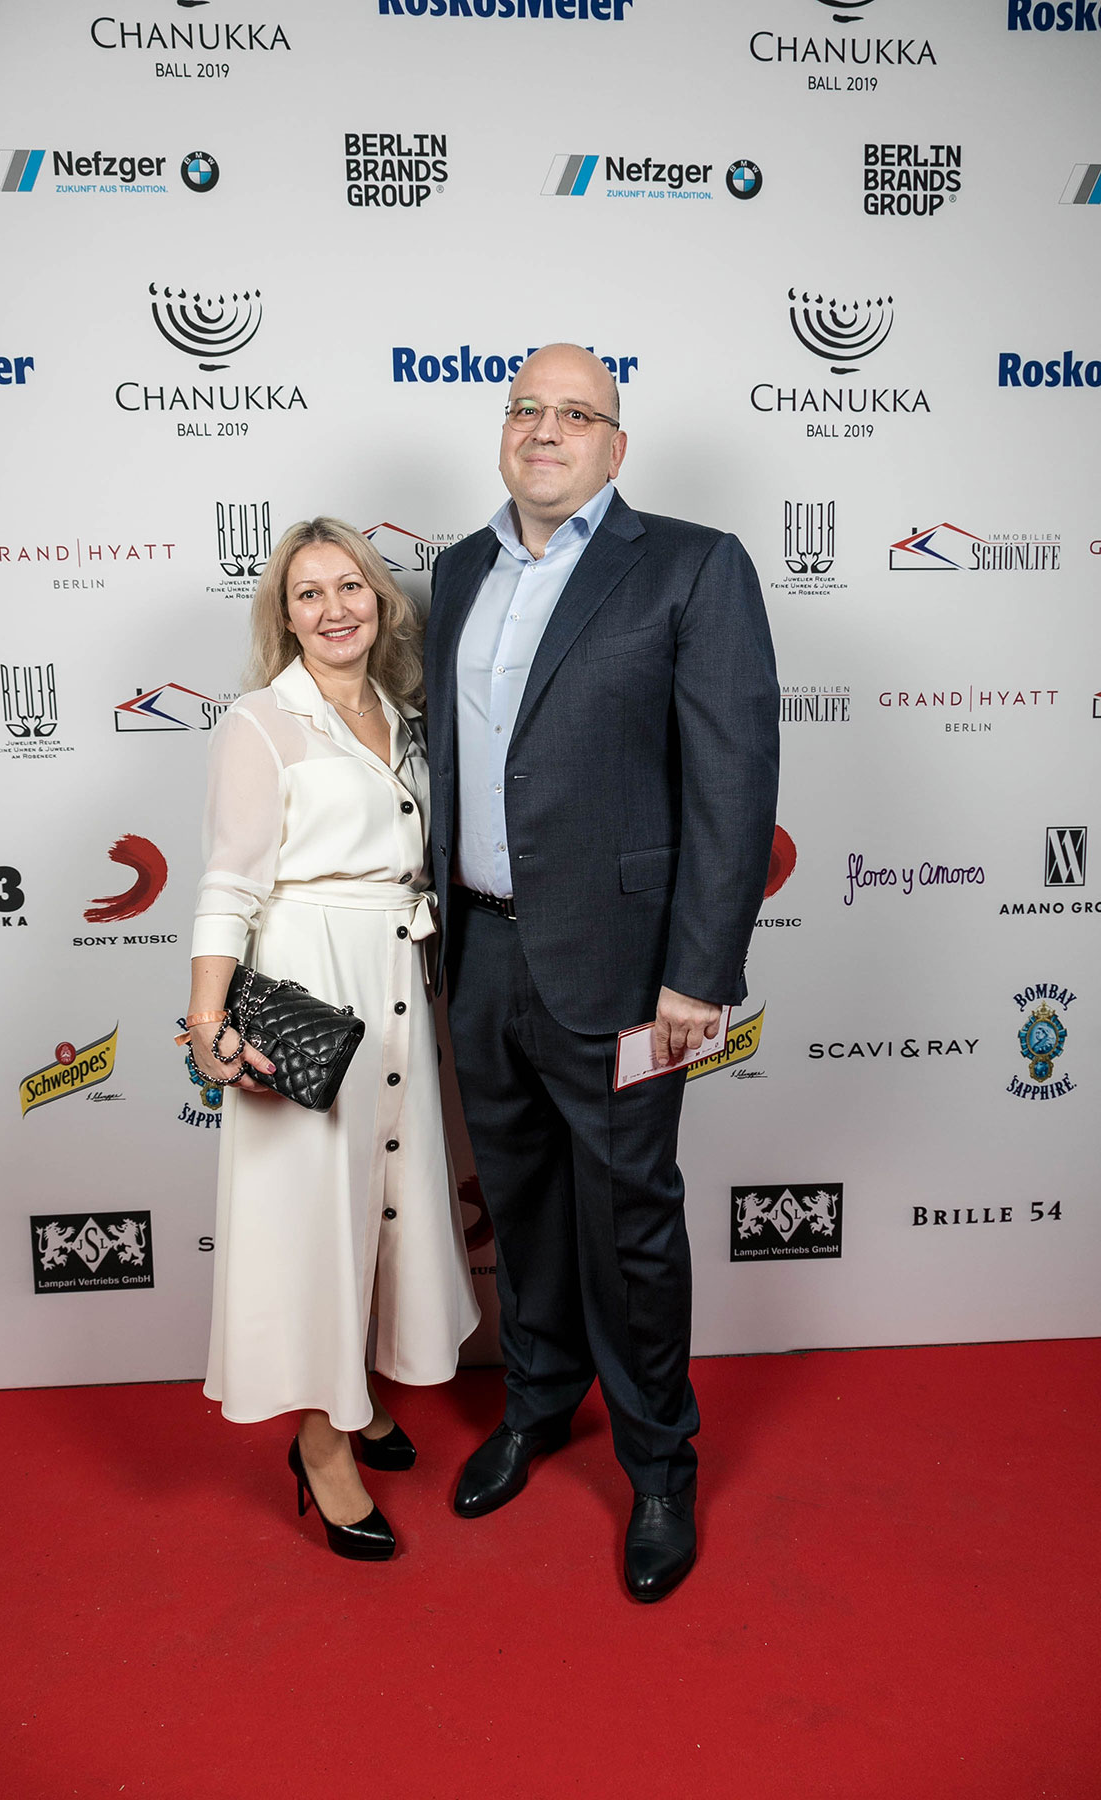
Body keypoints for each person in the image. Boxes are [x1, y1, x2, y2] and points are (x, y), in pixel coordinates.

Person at [424, 344, 779, 1602]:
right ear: (502, 430)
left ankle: (660, 1467)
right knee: (520, 1202)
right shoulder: (456, 570)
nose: (546, 429)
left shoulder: (692, 564)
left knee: (629, 1223)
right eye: (526, 407)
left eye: (576, 413)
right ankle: (537, 1402)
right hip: (481, 951)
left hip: (631, 974)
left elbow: (733, 784)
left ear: (616, 447)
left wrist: (699, 976)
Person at [185, 517, 480, 1562]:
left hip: (397, 977)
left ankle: (354, 1391)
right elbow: (229, 880)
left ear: (381, 601)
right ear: (285, 617)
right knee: (315, 1219)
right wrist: (209, 1022)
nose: (334, 608)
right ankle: (321, 1444)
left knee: (385, 1201)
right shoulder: (261, 723)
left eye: (350, 585)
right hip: (312, 985)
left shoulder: (405, 717)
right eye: (307, 593)